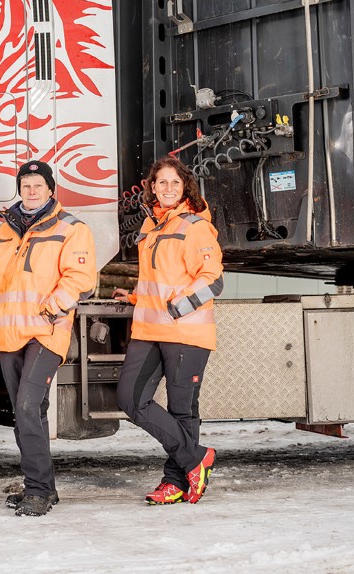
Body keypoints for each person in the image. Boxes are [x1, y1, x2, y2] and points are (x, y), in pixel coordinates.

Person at [0, 160, 97, 516]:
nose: (31, 191)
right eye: (26, 185)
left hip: (46, 331)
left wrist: (51, 309)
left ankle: (38, 490)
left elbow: (81, 278)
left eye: (38, 185)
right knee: (25, 411)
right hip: (7, 332)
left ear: (51, 189)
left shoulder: (71, 228)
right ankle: (44, 485)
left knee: (29, 406)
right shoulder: (3, 230)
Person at [113, 156, 224, 505]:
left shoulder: (195, 226)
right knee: (130, 398)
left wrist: (178, 306)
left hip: (185, 331)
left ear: (185, 187)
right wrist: (135, 295)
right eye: (161, 183)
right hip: (149, 329)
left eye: (175, 183)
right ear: (152, 187)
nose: (168, 188)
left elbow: (213, 280)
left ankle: (175, 482)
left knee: (181, 410)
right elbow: (162, 279)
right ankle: (196, 458)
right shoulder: (152, 226)